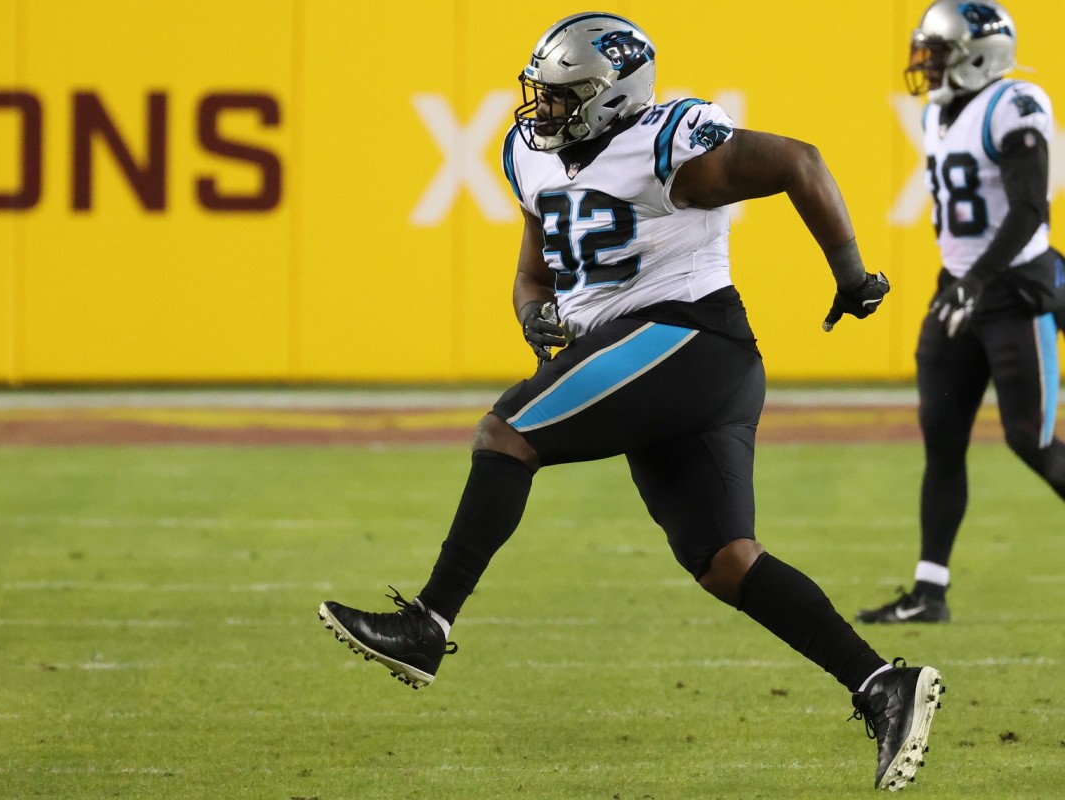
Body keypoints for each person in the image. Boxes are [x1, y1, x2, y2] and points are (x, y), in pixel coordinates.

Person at [318, 12, 943, 791]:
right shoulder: (531, 157)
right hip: (658, 361)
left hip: (690, 337)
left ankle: (428, 623)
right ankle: (880, 682)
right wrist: (534, 315)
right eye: (540, 94)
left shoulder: (668, 145)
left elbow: (800, 162)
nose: (541, 109)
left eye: (561, 96)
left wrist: (851, 277)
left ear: (612, 95)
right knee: (725, 562)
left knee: (506, 432)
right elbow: (535, 275)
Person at [857, 0, 1065, 626]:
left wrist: (975, 282)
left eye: (938, 52)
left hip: (1015, 291)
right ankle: (929, 592)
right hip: (960, 290)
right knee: (942, 438)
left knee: (1033, 441)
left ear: (979, 54)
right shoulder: (935, 112)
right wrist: (963, 284)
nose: (926, 63)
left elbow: (1031, 209)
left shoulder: (1015, 105)